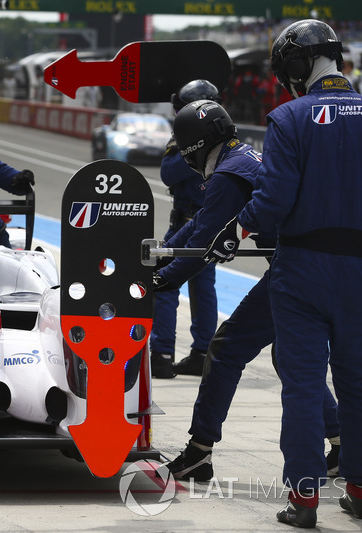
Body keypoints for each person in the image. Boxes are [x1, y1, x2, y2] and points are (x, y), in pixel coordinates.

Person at [203, 20, 362, 527]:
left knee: (303, 384)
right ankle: (358, 490)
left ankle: (304, 500)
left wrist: (235, 231)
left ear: (296, 66)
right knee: (358, 385)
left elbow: (271, 201)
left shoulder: (289, 118)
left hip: (302, 274)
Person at [157, 100, 341, 493]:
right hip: (316, 263)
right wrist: (164, 257)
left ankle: (200, 452)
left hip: (294, 270)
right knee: (286, 354)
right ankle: (342, 445)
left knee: (225, 348)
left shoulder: (226, 176)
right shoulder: (243, 158)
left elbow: (203, 241)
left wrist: (163, 279)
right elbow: (201, 228)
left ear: (194, 146)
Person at [149, 80, 220, 379]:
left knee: (164, 282)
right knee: (204, 288)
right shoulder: (227, 138)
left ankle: (162, 355)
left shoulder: (184, 140)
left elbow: (168, 173)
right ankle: (203, 354)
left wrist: (190, 144)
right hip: (215, 224)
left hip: (189, 226)